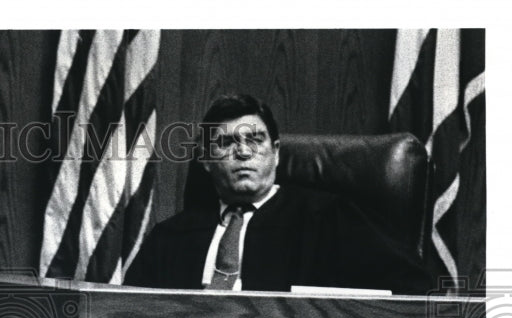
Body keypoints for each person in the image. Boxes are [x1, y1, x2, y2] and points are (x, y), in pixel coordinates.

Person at [124, 94, 429, 294]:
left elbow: (414, 289)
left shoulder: (329, 219)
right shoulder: (171, 237)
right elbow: (131, 313)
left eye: (255, 140)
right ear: (205, 158)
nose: (243, 152)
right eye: (227, 143)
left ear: (277, 153)